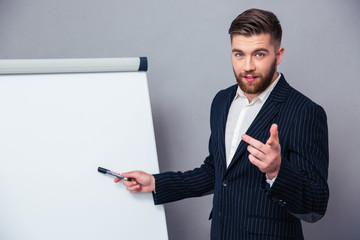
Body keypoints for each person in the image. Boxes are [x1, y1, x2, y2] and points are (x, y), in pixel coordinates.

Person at [115, 8, 329, 240]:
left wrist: (276, 171)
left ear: (278, 55)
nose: (247, 66)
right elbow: (215, 171)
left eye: (259, 54)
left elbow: (316, 204)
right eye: (239, 54)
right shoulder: (222, 101)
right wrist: (156, 182)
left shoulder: (305, 112)